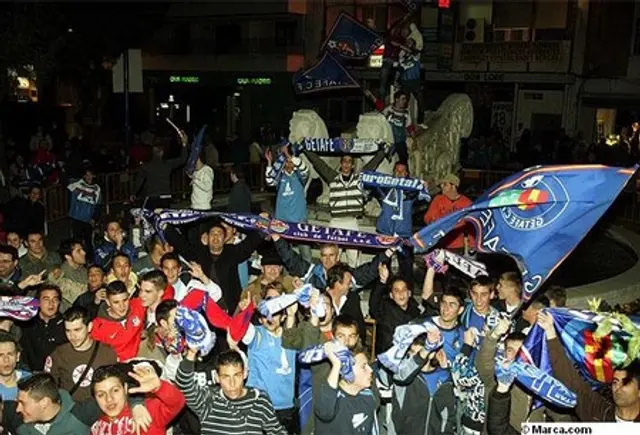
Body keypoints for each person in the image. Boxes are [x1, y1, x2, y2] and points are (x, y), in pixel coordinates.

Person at [539, 311, 640, 422]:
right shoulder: (598, 412)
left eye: (625, 382)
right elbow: (572, 381)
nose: (618, 387)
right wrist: (551, 333)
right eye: (615, 382)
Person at [303, 149, 386, 268]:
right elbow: (318, 163)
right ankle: (330, 283)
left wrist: (383, 151)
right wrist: (306, 150)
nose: (346, 164)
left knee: (354, 259)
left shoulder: (359, 179)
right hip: (336, 223)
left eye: (349, 162)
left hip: (352, 222)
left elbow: (372, 164)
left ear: (352, 165)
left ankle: (352, 285)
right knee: (331, 258)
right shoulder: (332, 177)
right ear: (341, 164)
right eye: (344, 161)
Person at [175, 348, 287, 434]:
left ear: (244, 374)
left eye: (237, 375)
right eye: (226, 377)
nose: (232, 383)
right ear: (217, 378)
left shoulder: (259, 400)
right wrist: (191, 353)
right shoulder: (209, 400)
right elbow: (184, 384)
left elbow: (276, 431)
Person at [165, 220, 264, 313]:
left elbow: (250, 243)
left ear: (224, 238)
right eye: (212, 234)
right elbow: (181, 244)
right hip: (205, 311)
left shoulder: (232, 253)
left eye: (219, 234)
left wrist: (263, 223)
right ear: (207, 238)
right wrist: (165, 226)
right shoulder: (199, 254)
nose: (216, 237)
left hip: (231, 310)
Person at [241, 285, 298, 433]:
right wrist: (246, 313)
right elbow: (241, 330)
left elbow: (291, 330)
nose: (270, 318)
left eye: (276, 312)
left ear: (284, 315)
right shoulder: (257, 334)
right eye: (266, 313)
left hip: (286, 408)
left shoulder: (291, 337)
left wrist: (291, 313)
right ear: (260, 318)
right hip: (259, 406)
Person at [45, 307, 117, 401]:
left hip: (99, 409)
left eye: (77, 330)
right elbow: (48, 387)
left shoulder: (107, 353)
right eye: (68, 331)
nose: (72, 336)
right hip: (71, 410)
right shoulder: (58, 354)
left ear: (89, 327)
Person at [91, 363, 185, 434]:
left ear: (125, 389)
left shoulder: (147, 409)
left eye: (115, 390)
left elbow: (177, 402)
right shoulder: (96, 427)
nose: (109, 399)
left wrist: (159, 387)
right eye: (101, 395)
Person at [371, 161, 426, 281]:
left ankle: (408, 293)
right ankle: (383, 291)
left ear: (407, 174)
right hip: (384, 231)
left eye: (402, 171)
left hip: (404, 234)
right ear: (393, 173)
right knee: (382, 264)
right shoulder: (385, 189)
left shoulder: (412, 191)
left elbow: (423, 198)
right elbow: (372, 184)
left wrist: (421, 186)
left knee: (406, 267)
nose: (399, 173)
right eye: (397, 171)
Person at [314, 341, 378, 435]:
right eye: (364, 366)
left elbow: (372, 430)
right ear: (346, 371)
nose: (371, 370)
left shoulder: (368, 396)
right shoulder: (330, 397)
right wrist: (336, 365)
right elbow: (324, 413)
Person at [265, 144, 312, 262]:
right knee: (285, 253)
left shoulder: (300, 176)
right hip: (283, 222)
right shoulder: (280, 178)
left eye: (291, 162)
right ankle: (286, 277)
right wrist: (270, 163)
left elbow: (304, 168)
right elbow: (269, 181)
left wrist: (288, 154)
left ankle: (308, 277)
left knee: (305, 253)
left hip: (300, 221)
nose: (289, 164)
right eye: (286, 162)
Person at [369, 263, 421, 355]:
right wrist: (382, 281)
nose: (401, 294)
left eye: (404, 290)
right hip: (387, 360)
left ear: (409, 293)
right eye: (396, 291)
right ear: (391, 295)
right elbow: (374, 303)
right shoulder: (385, 309)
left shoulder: (416, 312)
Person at [90, 280, 146, 361]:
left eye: (125, 300)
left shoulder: (137, 306)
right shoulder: (97, 327)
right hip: (118, 365)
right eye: (116, 302)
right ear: (108, 302)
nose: (122, 306)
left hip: (142, 357)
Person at [20, 285, 67, 371]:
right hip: (31, 375)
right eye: (46, 299)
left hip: (59, 375)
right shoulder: (27, 323)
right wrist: (21, 286)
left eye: (55, 299)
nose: (51, 304)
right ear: (38, 302)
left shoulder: (66, 324)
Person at [132, 137, 188, 210]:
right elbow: (183, 159)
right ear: (162, 152)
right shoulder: (167, 164)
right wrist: (184, 144)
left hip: (152, 197)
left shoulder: (145, 167)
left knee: (151, 218)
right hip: (165, 197)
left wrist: (133, 193)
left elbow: (138, 182)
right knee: (164, 218)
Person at [423, 174, 473, 252]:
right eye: (441, 184)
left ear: (454, 186)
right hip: (438, 243)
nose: (442, 186)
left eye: (445, 184)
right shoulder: (438, 199)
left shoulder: (466, 203)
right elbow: (428, 217)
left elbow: (471, 225)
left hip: (457, 245)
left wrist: (471, 244)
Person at [67, 168, 101, 256]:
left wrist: (94, 218)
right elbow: (67, 184)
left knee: (88, 241)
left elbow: (98, 205)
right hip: (76, 218)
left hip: (88, 219)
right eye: (87, 175)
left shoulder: (97, 189)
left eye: (90, 175)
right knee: (76, 241)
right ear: (84, 176)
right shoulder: (77, 184)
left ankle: (90, 259)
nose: (89, 177)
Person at [382, 90, 415, 165]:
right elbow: (381, 121)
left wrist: (414, 138)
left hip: (400, 140)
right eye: (403, 99)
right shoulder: (389, 110)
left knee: (404, 159)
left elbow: (409, 126)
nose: (405, 101)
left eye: (405, 99)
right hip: (389, 140)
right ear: (397, 99)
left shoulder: (406, 113)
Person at [0, 331, 30, 401]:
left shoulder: (31, 381)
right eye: (0, 355)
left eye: (10, 354)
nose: (6, 360)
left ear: (17, 356)